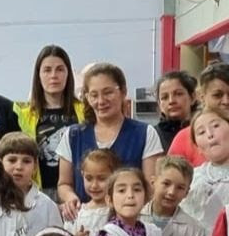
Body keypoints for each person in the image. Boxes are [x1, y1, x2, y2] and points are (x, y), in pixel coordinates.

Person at [54, 63, 161, 219]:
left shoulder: (145, 133)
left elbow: (150, 187)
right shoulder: (72, 135)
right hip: (84, 226)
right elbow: (64, 184)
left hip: (129, 224)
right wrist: (70, 198)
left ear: (123, 91)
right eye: (94, 95)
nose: (101, 101)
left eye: (108, 92)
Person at [14, 45, 86, 189]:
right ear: (38, 75)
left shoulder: (84, 111)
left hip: (76, 193)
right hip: (37, 193)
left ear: (68, 74)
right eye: (47, 70)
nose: (54, 75)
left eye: (60, 69)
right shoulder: (23, 114)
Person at [0, 133, 62, 236]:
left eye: (26, 161)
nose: (19, 167)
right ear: (0, 163)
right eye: (12, 160)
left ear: (35, 167)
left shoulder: (47, 206)